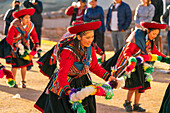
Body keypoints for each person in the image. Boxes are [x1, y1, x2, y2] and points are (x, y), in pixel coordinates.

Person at [34, 20, 116, 113]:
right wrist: (69, 92)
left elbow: (94, 67)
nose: (90, 40)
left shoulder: (90, 48)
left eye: (92, 37)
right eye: (87, 37)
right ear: (79, 37)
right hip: (65, 85)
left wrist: (109, 77)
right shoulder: (68, 52)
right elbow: (62, 74)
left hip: (83, 82)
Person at [102, 22, 167, 112]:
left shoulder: (150, 41)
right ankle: (127, 102)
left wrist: (166, 59)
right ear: (148, 31)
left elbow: (155, 52)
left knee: (141, 86)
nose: (155, 36)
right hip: (133, 66)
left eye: (156, 34)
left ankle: (136, 105)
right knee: (134, 86)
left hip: (142, 65)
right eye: (153, 34)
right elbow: (127, 51)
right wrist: (131, 60)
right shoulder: (136, 38)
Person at [0, 8, 39, 88]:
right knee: (15, 66)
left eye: (29, 18)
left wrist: (36, 43)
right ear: (21, 19)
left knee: (24, 65)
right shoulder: (14, 25)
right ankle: (13, 81)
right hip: (15, 48)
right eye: (26, 18)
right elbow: (9, 39)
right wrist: (16, 45)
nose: (28, 20)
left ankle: (23, 81)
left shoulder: (30, 25)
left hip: (25, 47)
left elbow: (34, 34)